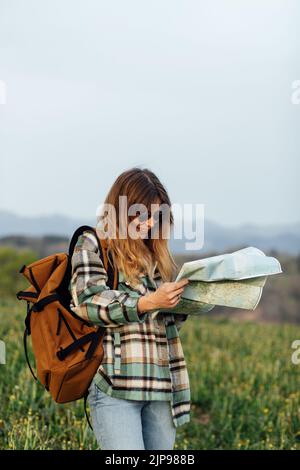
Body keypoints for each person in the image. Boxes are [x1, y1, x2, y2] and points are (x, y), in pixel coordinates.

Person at [69, 167, 190, 450]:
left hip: (162, 388)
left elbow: (161, 325)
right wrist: (148, 302)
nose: (150, 224)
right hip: (116, 388)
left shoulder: (155, 255)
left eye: (157, 216)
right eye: (144, 215)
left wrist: (182, 304)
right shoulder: (94, 244)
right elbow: (88, 303)